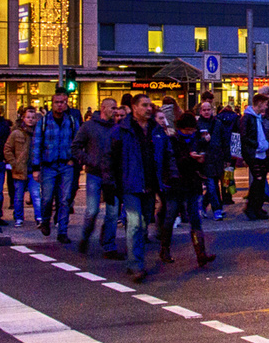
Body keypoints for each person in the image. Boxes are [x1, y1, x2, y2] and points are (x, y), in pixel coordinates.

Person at [109, 93, 173, 282]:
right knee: (135, 223)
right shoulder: (121, 130)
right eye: (144, 105)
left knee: (144, 224)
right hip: (130, 184)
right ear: (134, 107)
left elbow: (168, 154)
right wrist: (110, 184)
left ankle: (135, 259)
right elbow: (111, 159)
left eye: (150, 105)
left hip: (150, 184)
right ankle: (136, 264)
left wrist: (170, 176)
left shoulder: (157, 130)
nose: (149, 108)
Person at [159, 112, 216, 268]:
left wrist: (200, 161)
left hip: (191, 184)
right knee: (170, 217)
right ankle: (165, 249)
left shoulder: (195, 141)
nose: (190, 133)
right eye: (188, 130)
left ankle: (201, 253)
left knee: (195, 219)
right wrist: (190, 158)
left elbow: (199, 163)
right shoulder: (172, 141)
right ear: (181, 128)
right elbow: (172, 162)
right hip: (176, 184)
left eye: (192, 130)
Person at [72, 98, 122, 258]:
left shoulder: (117, 128)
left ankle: (109, 246)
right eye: (112, 108)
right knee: (92, 211)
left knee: (112, 213)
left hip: (112, 175)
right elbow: (75, 147)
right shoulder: (89, 127)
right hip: (95, 173)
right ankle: (86, 236)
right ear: (103, 108)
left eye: (116, 109)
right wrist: (89, 160)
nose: (115, 111)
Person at [32, 90, 82, 243]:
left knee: (65, 199)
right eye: (57, 102)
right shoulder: (44, 122)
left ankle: (62, 231)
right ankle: (46, 221)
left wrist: (74, 159)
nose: (60, 105)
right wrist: (35, 167)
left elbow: (78, 141)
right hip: (49, 165)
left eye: (63, 102)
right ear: (52, 104)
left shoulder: (72, 121)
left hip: (66, 165)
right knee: (47, 198)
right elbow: (36, 145)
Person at [237, 94, 269, 221]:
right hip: (254, 154)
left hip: (262, 153)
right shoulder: (247, 118)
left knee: (261, 180)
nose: (266, 106)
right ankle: (251, 208)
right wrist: (257, 144)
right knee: (258, 180)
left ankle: (257, 207)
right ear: (259, 103)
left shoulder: (259, 117)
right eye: (264, 103)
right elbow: (244, 136)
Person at [4, 109, 37, 226]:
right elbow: (7, 149)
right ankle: (18, 217)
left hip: (34, 170)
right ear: (23, 118)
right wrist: (14, 163)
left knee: (36, 195)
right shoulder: (16, 133)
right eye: (28, 117)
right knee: (18, 196)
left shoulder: (38, 133)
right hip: (19, 169)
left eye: (33, 117)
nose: (30, 119)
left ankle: (39, 218)